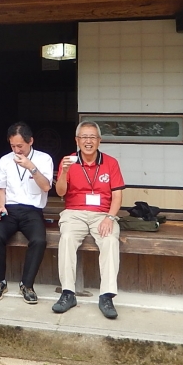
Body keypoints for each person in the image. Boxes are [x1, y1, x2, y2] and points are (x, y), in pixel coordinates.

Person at [52, 121, 125, 319]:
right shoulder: (68, 161)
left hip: (103, 214)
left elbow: (117, 196)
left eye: (92, 137)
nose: (88, 141)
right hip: (74, 212)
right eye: (84, 137)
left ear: (99, 141)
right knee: (66, 238)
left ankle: (106, 295)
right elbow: (60, 192)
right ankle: (68, 293)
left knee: (110, 240)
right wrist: (64, 172)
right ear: (77, 140)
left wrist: (110, 217)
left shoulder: (111, 163)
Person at [0, 121, 54, 304]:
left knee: (39, 240)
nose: (16, 150)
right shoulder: (4, 160)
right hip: (9, 208)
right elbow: (0, 189)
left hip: (32, 210)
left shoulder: (43, 159)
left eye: (20, 146)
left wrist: (31, 166)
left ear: (30, 141)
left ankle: (27, 284)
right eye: (13, 146)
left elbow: (46, 186)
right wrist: (0, 206)